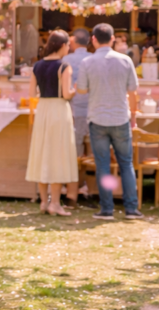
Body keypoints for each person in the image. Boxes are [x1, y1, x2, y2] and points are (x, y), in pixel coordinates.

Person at [76, 23, 144, 220]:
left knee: (103, 165)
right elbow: (133, 92)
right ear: (113, 39)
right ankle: (131, 208)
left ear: (94, 40)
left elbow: (81, 90)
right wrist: (134, 116)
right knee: (126, 164)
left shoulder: (87, 62)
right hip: (120, 117)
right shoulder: (125, 61)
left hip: (97, 118)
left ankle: (107, 209)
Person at [26, 30, 78, 216]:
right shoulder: (64, 67)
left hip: (43, 110)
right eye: (68, 46)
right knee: (58, 155)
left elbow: (32, 94)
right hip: (58, 110)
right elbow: (66, 94)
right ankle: (55, 203)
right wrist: (75, 90)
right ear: (62, 46)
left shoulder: (37, 66)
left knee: (43, 153)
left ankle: (43, 201)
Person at [62, 27, 92, 204]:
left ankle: (74, 190)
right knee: (91, 154)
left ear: (73, 41)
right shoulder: (93, 59)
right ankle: (87, 187)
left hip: (73, 110)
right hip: (93, 110)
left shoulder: (66, 59)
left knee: (75, 153)